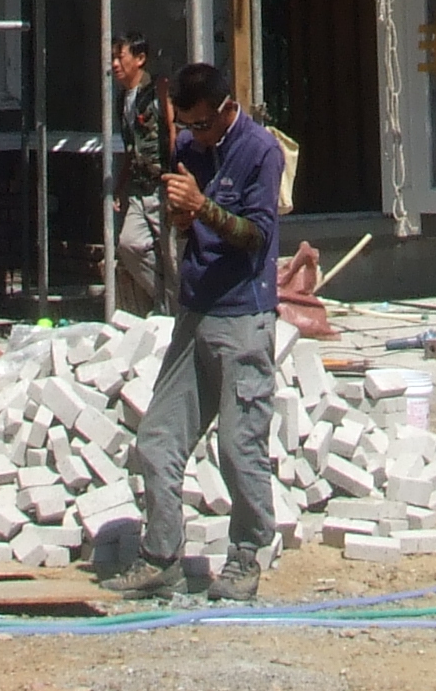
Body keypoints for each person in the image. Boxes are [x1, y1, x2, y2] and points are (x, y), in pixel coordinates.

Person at [106, 59, 282, 605]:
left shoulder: (261, 151)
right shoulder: (187, 147)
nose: (193, 135)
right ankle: (161, 557)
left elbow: (257, 236)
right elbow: (181, 220)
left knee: (238, 445)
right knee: (157, 438)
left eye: (201, 124)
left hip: (243, 315)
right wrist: (181, 218)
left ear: (227, 109)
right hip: (195, 311)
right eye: (185, 125)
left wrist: (202, 208)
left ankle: (246, 557)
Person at [109, 33, 165, 315]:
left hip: (161, 186)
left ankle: (176, 311)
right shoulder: (123, 100)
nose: (115, 64)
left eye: (120, 57)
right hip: (138, 187)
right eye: (113, 58)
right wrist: (120, 187)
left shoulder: (156, 94)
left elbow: (173, 135)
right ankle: (167, 301)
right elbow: (131, 148)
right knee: (129, 244)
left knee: (174, 255)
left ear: (140, 59)